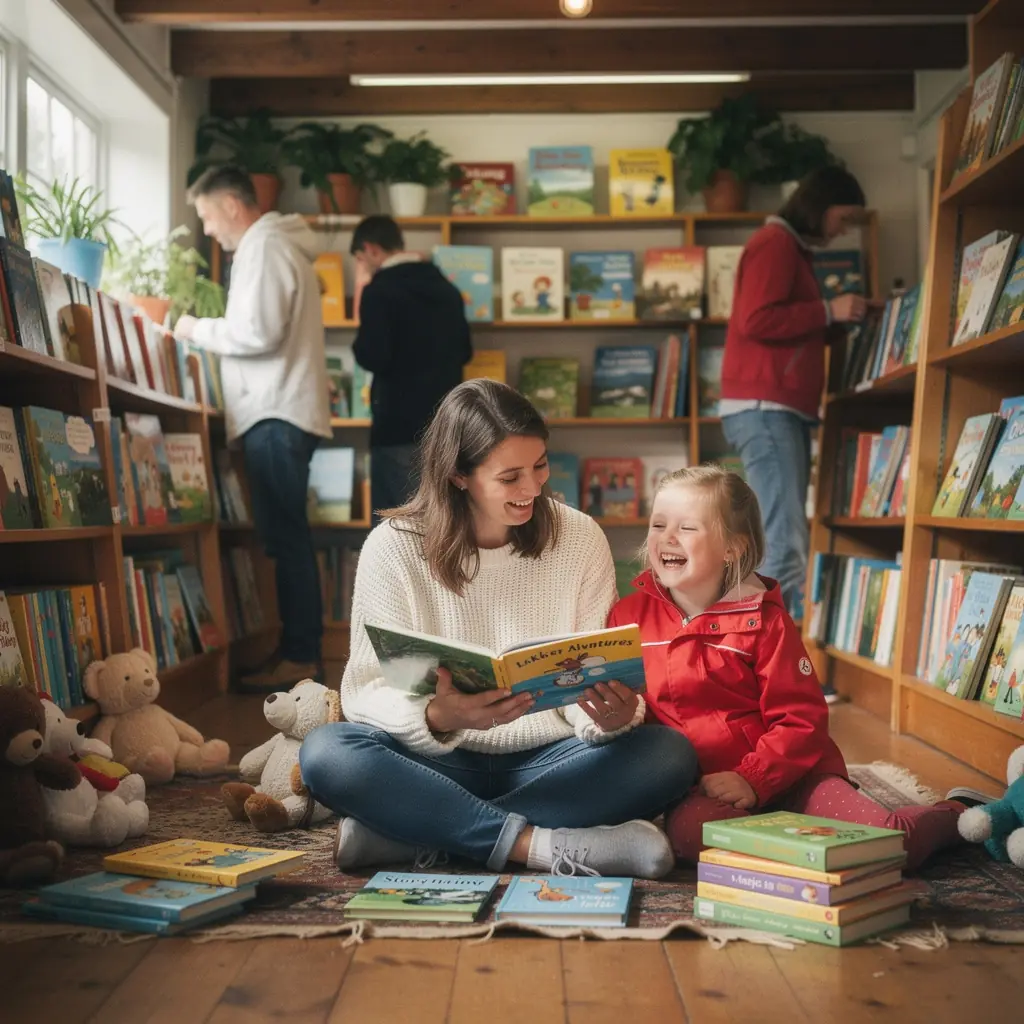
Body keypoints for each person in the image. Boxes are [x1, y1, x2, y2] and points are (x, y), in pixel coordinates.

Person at [299, 380, 698, 878]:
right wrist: (438, 716)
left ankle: (419, 834)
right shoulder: (393, 546)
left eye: (540, 465)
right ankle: (541, 846)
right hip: (433, 760)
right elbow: (363, 692)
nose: (533, 489)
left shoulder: (579, 537)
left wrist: (611, 716)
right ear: (459, 476)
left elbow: (593, 668)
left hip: (551, 757)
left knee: (669, 755)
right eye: (510, 477)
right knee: (326, 753)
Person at [606, 465, 981, 872]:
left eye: (688, 528)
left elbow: (801, 718)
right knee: (692, 836)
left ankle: (962, 814)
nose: (667, 538)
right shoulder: (627, 619)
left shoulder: (765, 621)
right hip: (706, 789)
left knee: (892, 845)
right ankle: (807, 855)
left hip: (795, 776)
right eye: (659, 524)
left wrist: (754, 778)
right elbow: (636, 714)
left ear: (732, 548)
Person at [174, 165, 332, 692]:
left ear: (232, 206)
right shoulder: (274, 246)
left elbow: (257, 331)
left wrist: (193, 327)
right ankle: (296, 652)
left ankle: (302, 657)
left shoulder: (264, 247)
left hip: (275, 411)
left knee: (286, 540)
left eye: (207, 216)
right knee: (286, 538)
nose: (208, 229)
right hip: (281, 409)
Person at [719, 166, 868, 626]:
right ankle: (767, 666)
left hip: (775, 408)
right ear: (819, 208)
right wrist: (828, 309)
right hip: (767, 408)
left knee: (783, 533)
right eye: (841, 218)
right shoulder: (776, 244)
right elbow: (757, 320)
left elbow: (783, 326)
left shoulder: (788, 248)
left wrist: (833, 322)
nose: (841, 230)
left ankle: (762, 661)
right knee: (782, 539)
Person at [350, 215, 472, 523]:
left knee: (394, 527)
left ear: (371, 249)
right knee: (442, 524)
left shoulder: (379, 292)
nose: (362, 267)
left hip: (398, 427)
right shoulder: (447, 290)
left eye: (361, 260)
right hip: (446, 427)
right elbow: (465, 351)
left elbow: (372, 356)